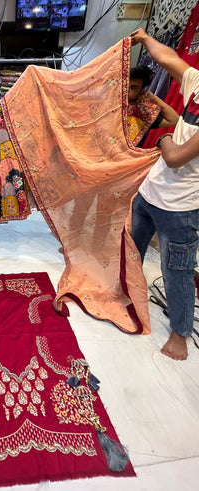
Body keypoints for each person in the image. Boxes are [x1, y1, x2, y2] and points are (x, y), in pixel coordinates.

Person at [130, 27, 199, 361]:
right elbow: (168, 58)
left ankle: (180, 332)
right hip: (148, 194)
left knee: (178, 269)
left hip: (180, 206)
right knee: (131, 250)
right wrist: (145, 39)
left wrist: (162, 138)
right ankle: (128, 293)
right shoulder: (197, 84)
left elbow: (174, 158)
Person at [127, 65, 179, 147]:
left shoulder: (142, 112)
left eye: (134, 88)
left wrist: (154, 98)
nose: (127, 90)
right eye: (125, 85)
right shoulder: (106, 102)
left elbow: (175, 120)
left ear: (141, 91)